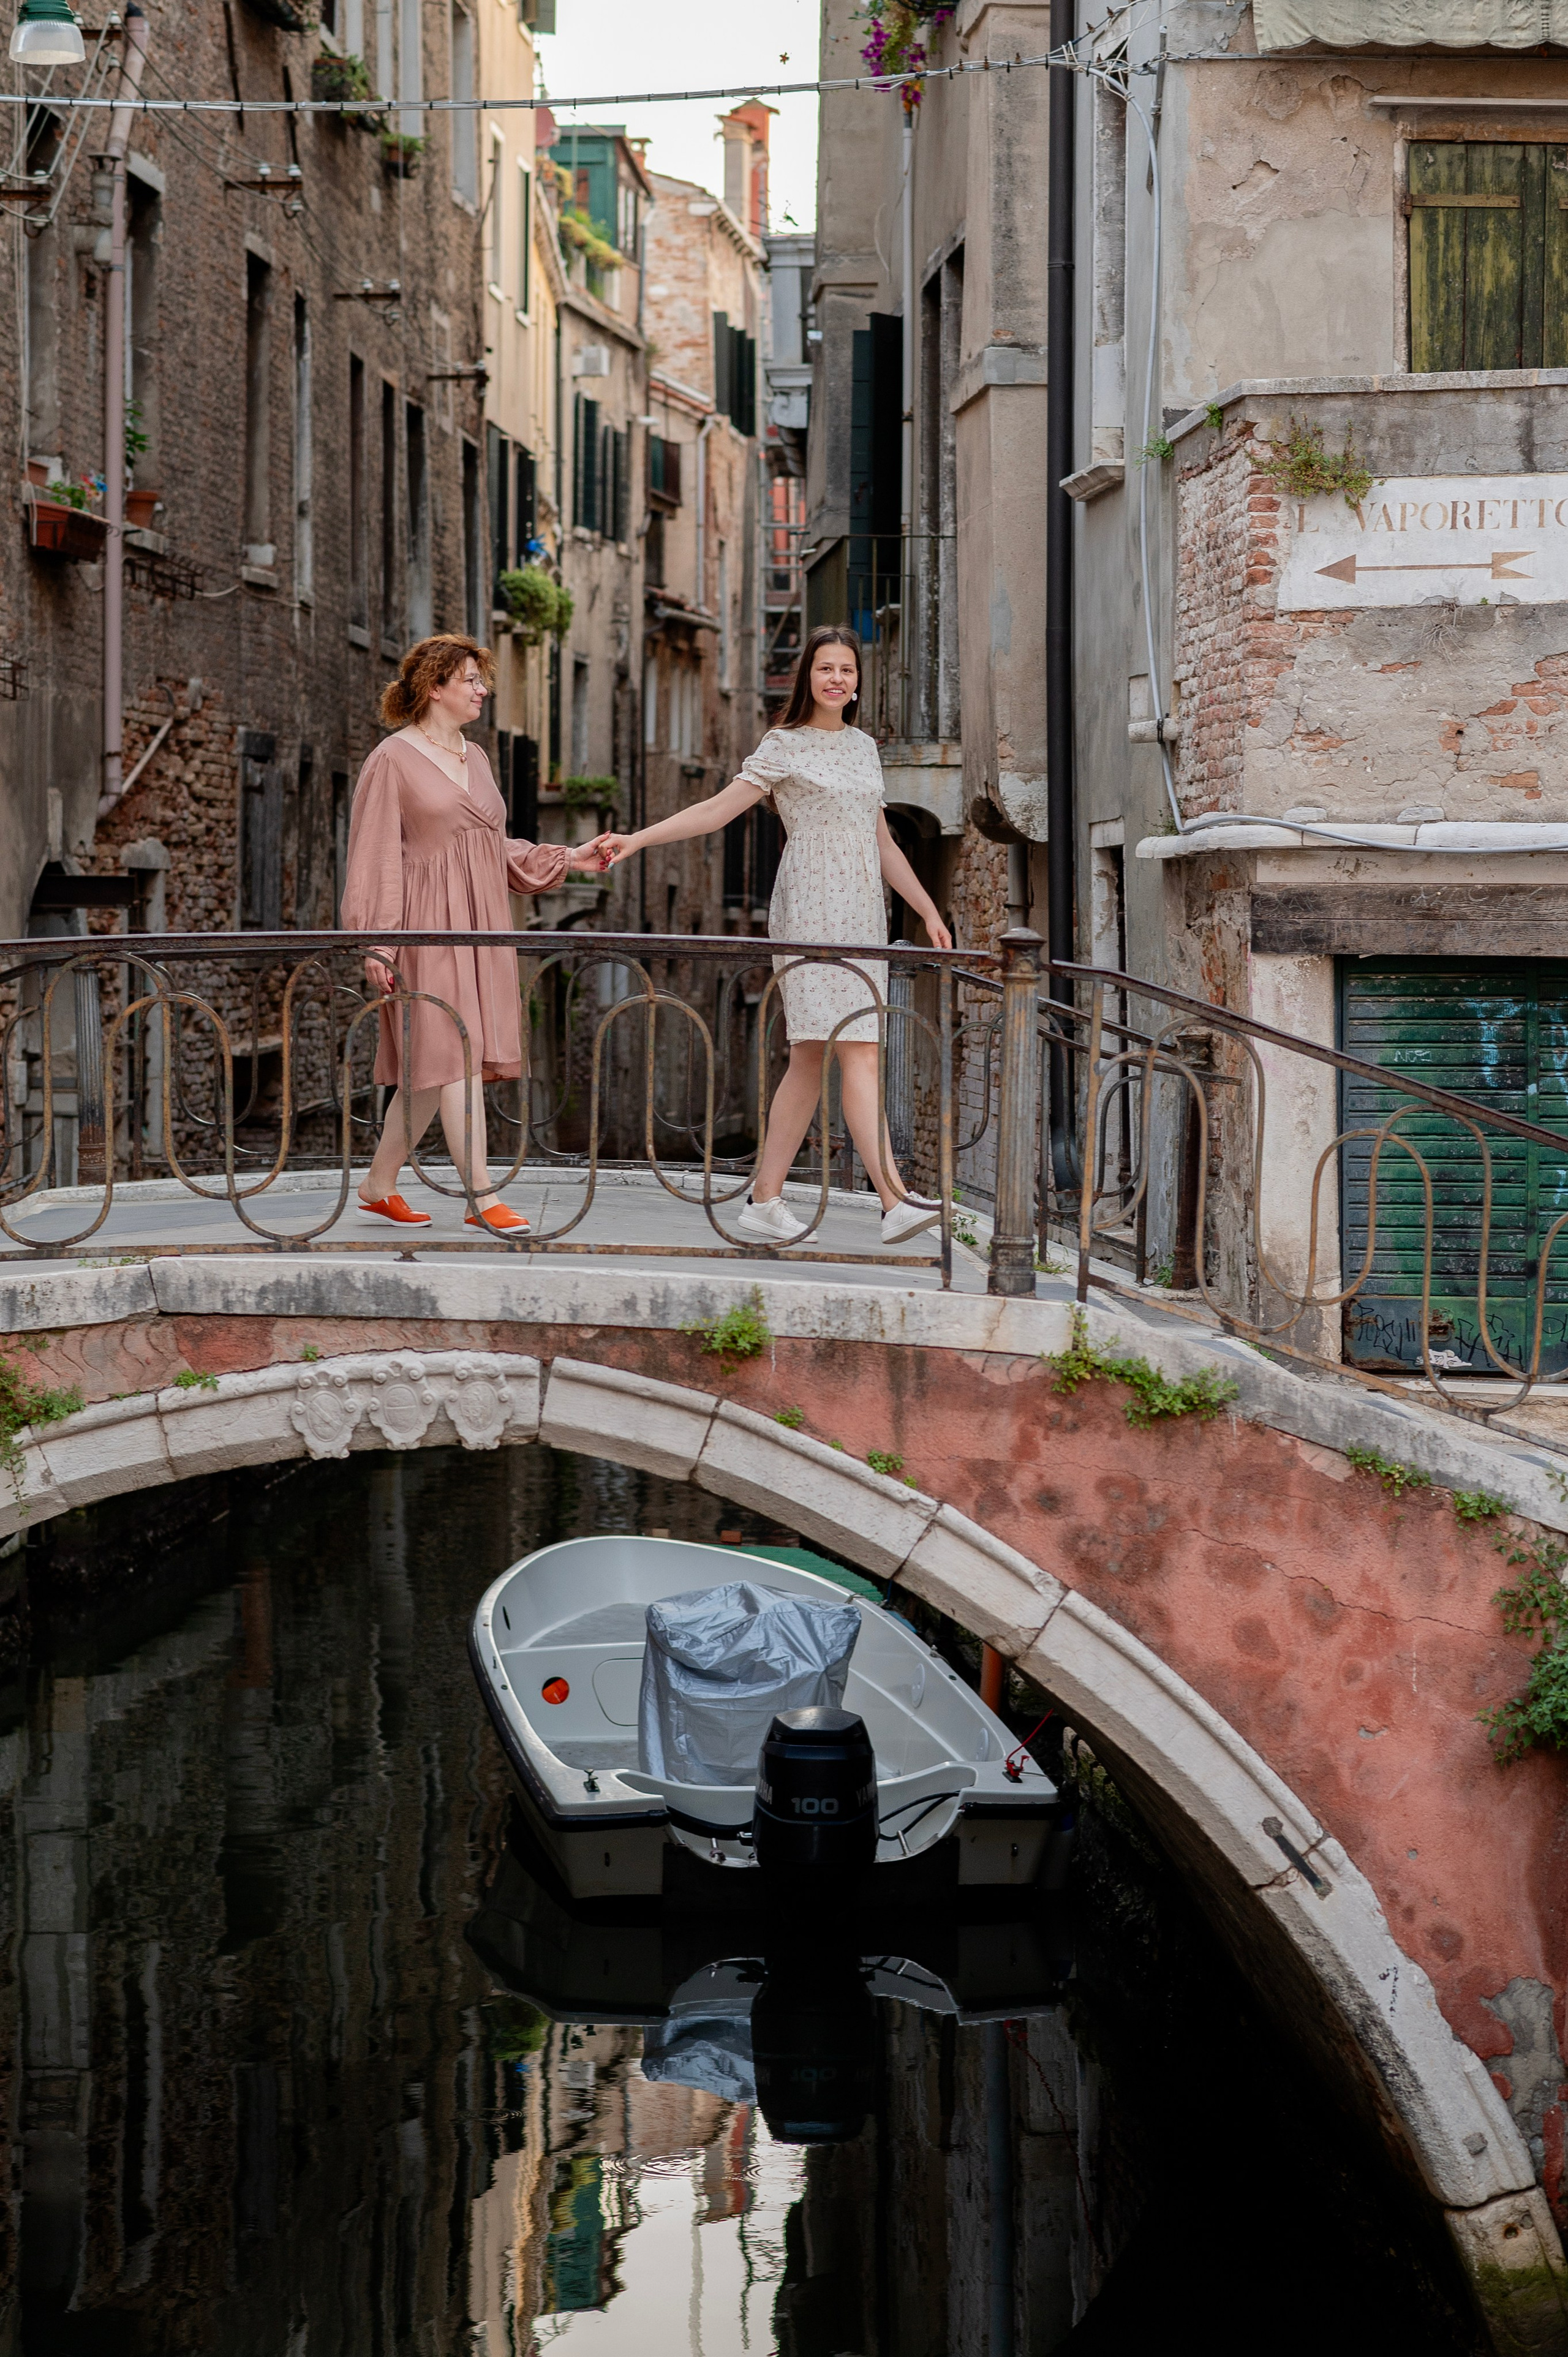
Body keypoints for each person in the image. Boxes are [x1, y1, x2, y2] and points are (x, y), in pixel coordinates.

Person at [596, 625, 952, 1245]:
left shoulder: (865, 747)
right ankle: (894, 1200)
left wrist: (925, 909)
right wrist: (636, 839)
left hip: (862, 912)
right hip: (811, 906)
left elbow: (882, 841)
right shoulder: (782, 744)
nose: (836, 678)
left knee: (811, 1057)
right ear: (807, 677)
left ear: (857, 679)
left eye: (846, 668)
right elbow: (714, 811)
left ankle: (765, 1199)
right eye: (825, 668)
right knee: (856, 1048)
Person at [341, 633, 606, 1232]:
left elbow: (490, 849)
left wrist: (571, 858)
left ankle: (379, 1184)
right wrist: (378, 942)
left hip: (483, 926)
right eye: (470, 680)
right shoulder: (391, 759)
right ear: (434, 687)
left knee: (432, 1070)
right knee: (453, 1056)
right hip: (425, 932)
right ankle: (481, 1196)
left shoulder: (477, 758)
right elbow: (374, 854)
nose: (483, 689)